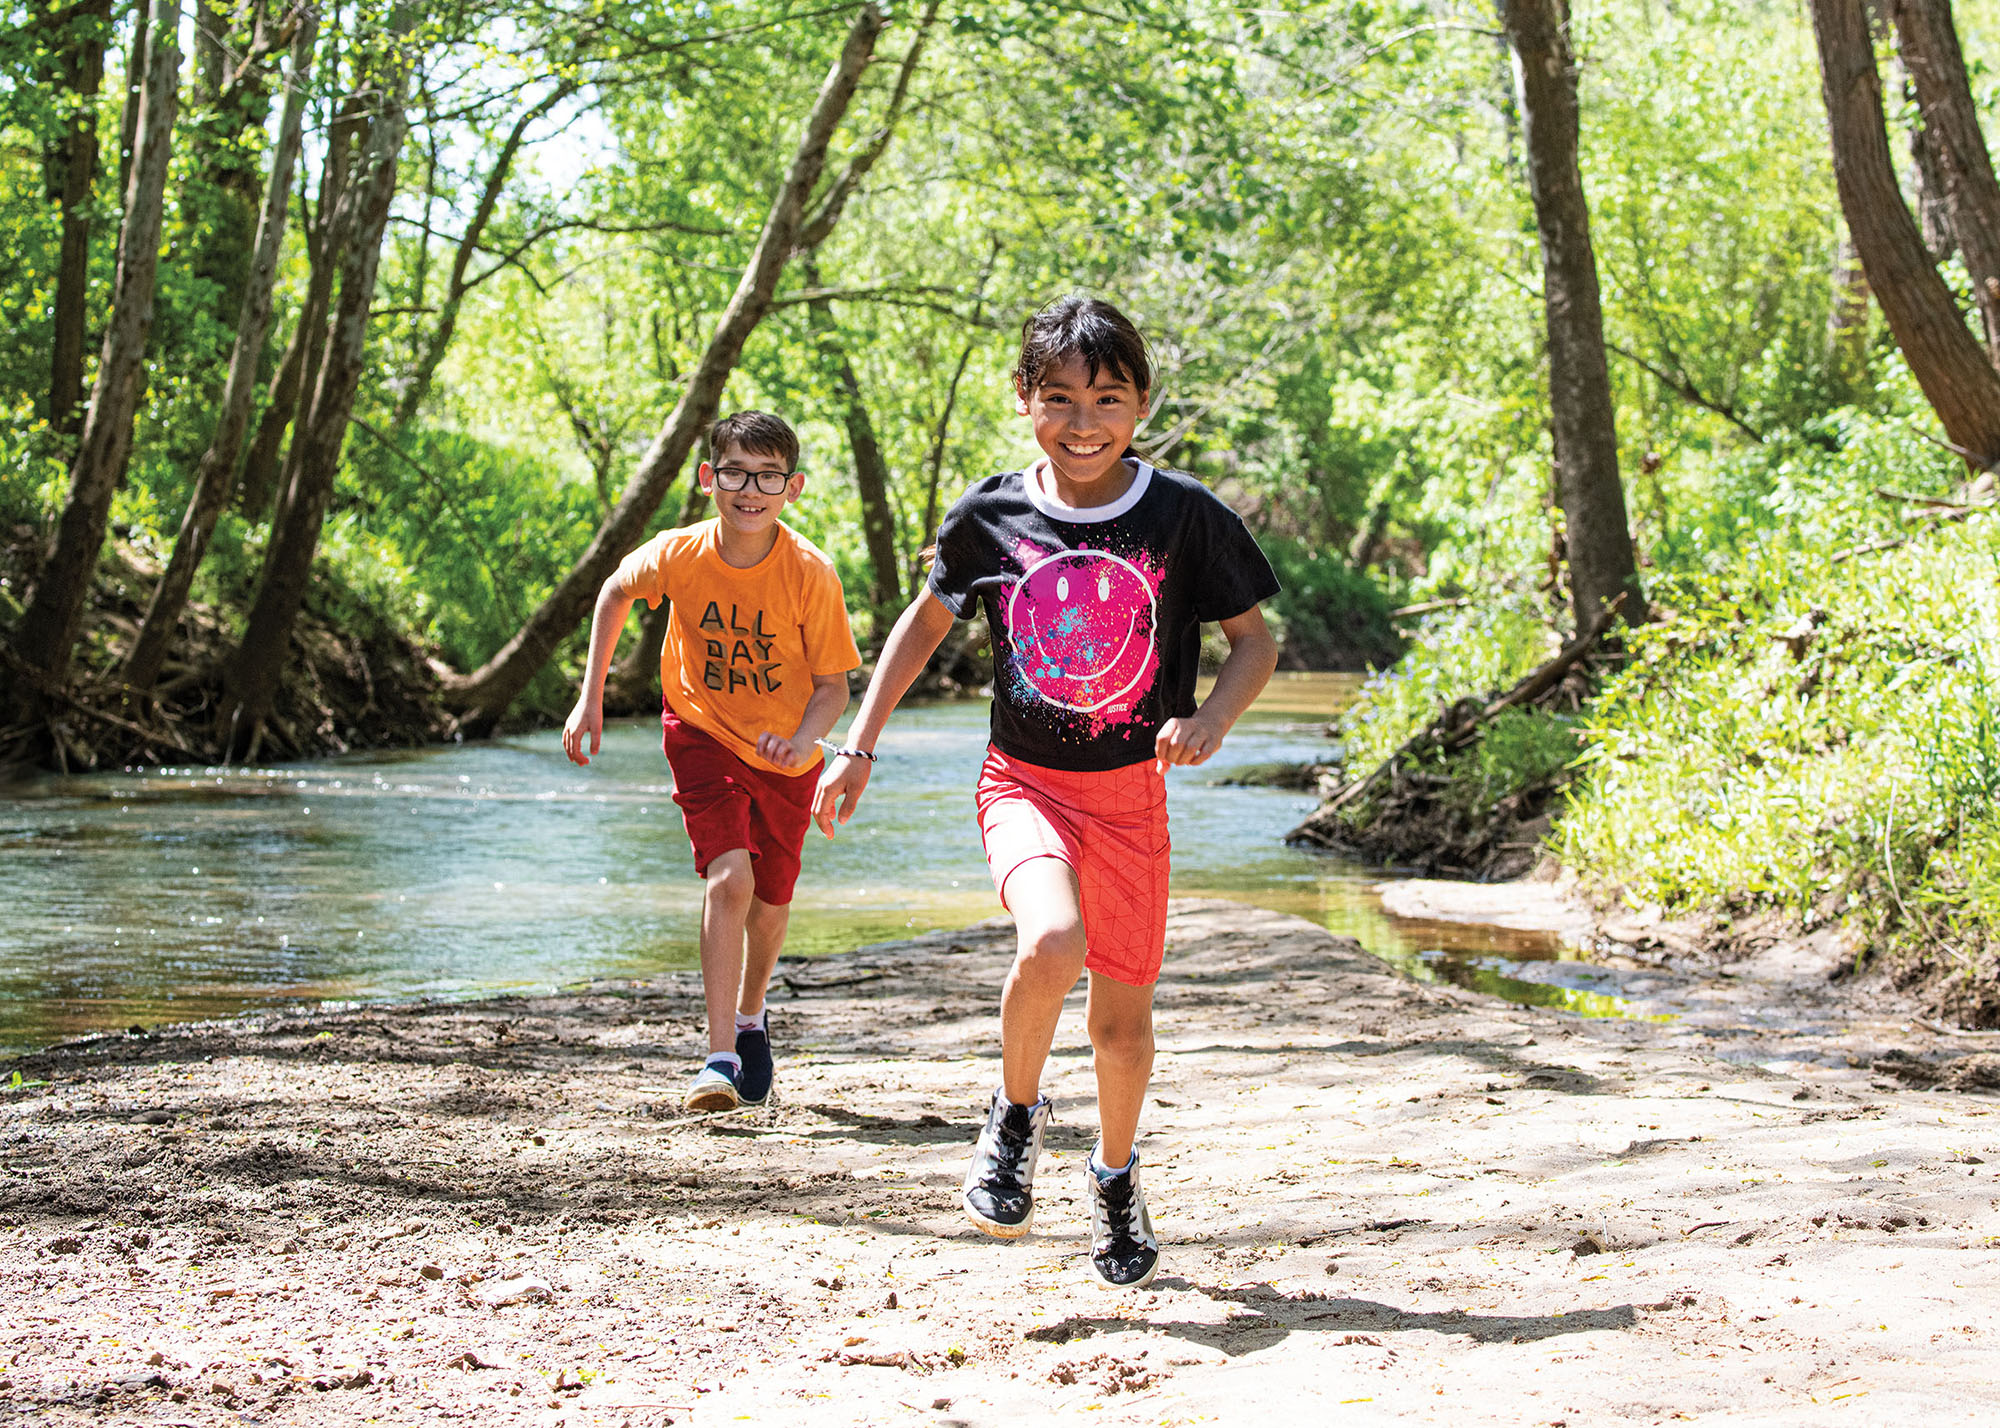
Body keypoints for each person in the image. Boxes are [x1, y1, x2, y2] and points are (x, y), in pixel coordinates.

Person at [813, 297, 1280, 1289]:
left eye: (1105, 399)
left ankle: (1113, 1178)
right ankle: (1011, 1120)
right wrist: (858, 741)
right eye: (1058, 398)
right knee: (1049, 941)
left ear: (1141, 404)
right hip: (1020, 780)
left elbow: (1254, 642)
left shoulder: (1183, 516)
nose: (1082, 422)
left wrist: (1207, 721)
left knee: (1121, 1026)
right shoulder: (991, 515)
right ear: (1023, 400)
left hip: (1130, 799)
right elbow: (923, 623)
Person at [565, 411, 861, 1113]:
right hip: (698, 728)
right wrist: (591, 697)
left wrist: (801, 740)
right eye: (734, 472)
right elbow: (614, 590)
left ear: (793, 488)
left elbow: (833, 686)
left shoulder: (810, 573)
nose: (749, 490)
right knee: (731, 877)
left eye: (767, 477)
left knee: (771, 900)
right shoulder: (680, 554)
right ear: (708, 479)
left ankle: (753, 1015)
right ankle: (719, 1056)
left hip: (786, 755)